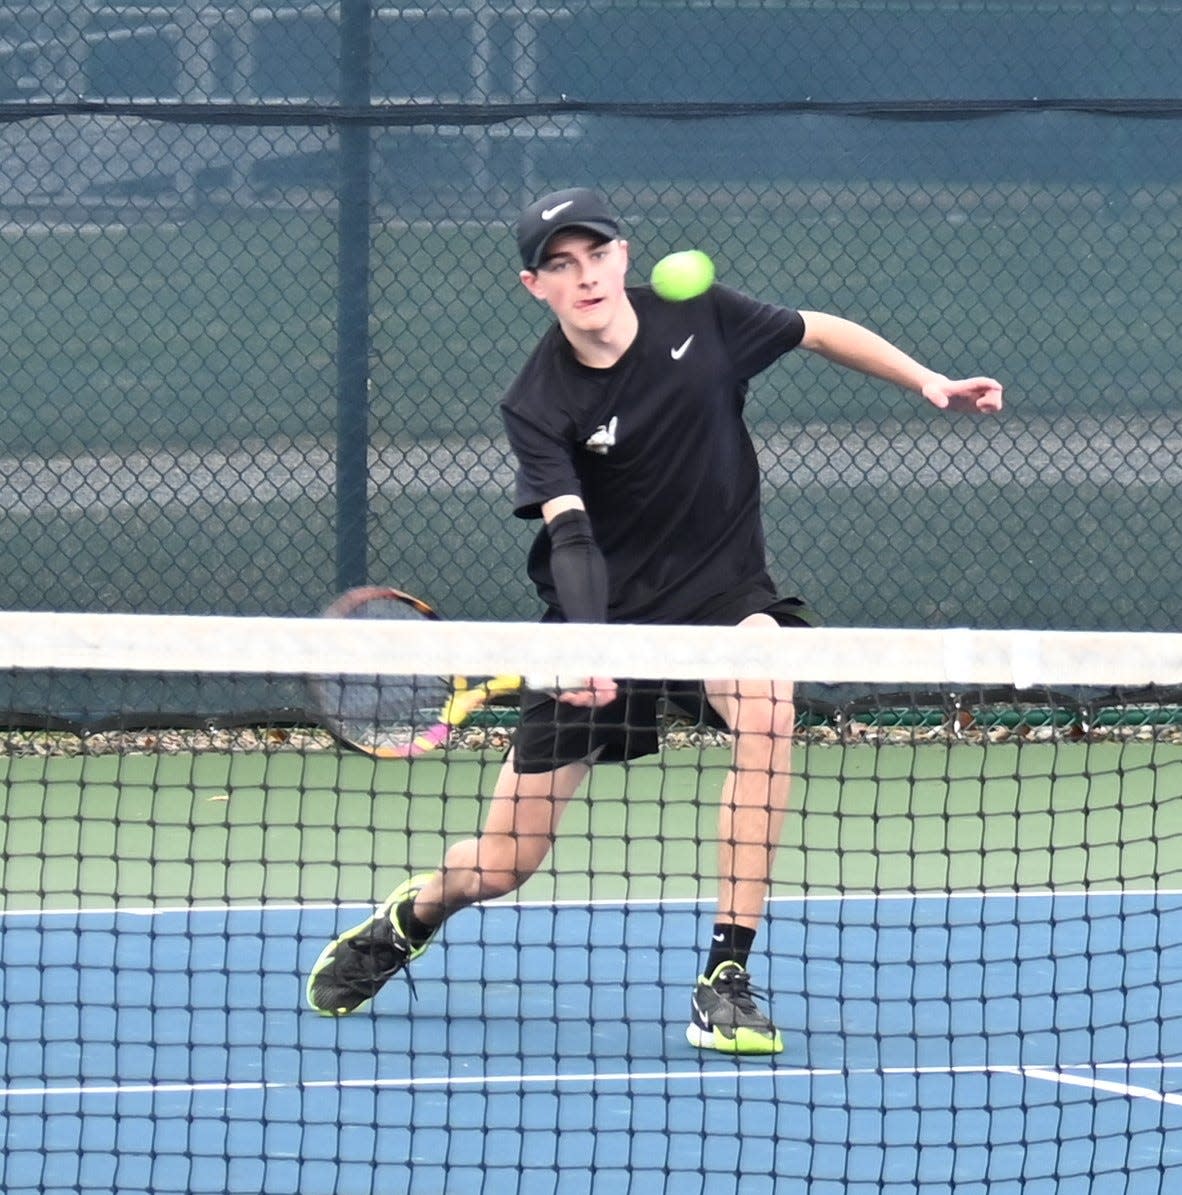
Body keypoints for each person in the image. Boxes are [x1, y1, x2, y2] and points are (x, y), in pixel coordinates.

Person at [306, 187, 1004, 1054]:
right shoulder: (539, 401)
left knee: (768, 699)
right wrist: (595, 644)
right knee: (504, 863)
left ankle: (727, 973)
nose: (584, 275)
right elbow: (570, 533)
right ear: (536, 286)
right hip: (599, 613)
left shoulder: (699, 315)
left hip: (723, 598)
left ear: (624, 257)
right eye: (561, 264)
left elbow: (817, 327)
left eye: (595, 254)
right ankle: (415, 913)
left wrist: (928, 380)